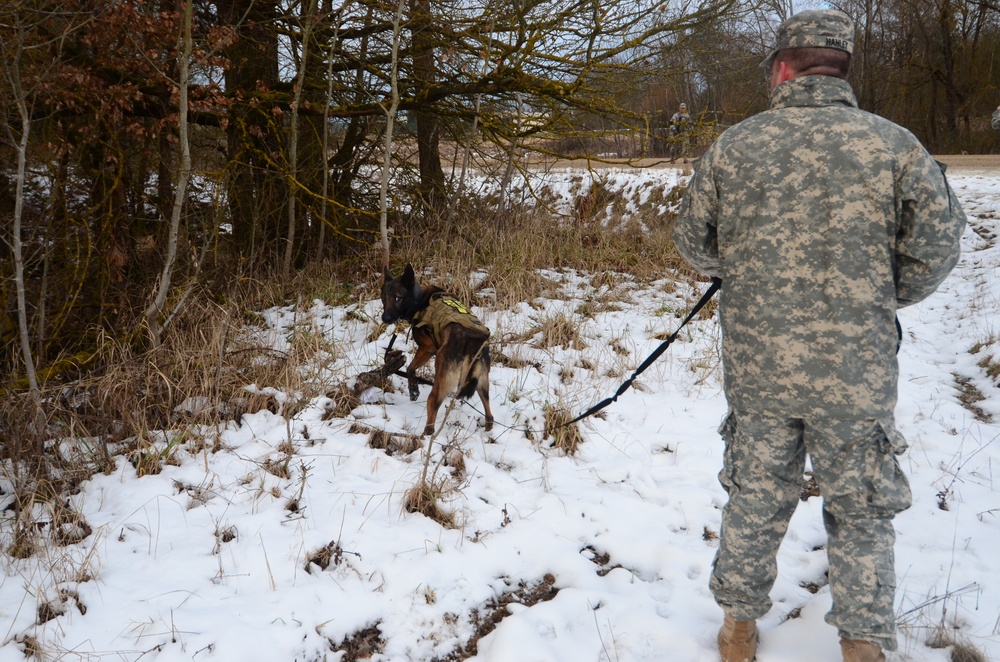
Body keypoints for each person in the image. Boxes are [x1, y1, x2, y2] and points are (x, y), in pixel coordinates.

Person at [673, 9, 966, 662]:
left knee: (755, 496)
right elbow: (941, 240)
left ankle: (738, 631)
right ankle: (862, 644)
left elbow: (694, 241)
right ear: (841, 67)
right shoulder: (893, 145)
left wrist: (745, 267)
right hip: (854, 370)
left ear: (782, 67)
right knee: (860, 509)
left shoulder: (734, 146)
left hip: (761, 368)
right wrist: (887, 292)